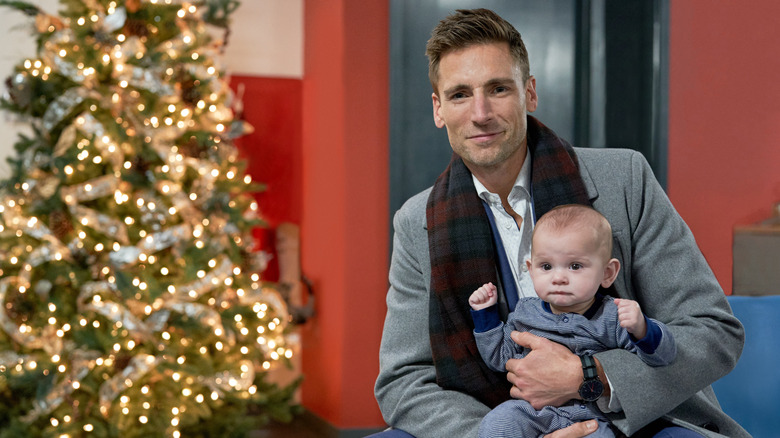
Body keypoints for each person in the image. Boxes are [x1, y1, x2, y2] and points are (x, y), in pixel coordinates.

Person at [374, 7, 748, 438]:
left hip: (633, 421)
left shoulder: (624, 179)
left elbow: (712, 331)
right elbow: (404, 380)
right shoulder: (415, 222)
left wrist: (591, 376)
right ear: (439, 109)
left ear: (529, 93)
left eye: (498, 88)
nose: (480, 113)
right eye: (460, 94)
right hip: (491, 423)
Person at [469, 205, 677, 437]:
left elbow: (663, 357)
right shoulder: (525, 313)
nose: (558, 278)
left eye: (575, 266)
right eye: (546, 266)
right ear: (531, 269)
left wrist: (642, 328)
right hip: (534, 411)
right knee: (499, 422)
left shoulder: (613, 316)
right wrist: (485, 315)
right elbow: (499, 357)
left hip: (596, 418)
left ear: (607, 273)